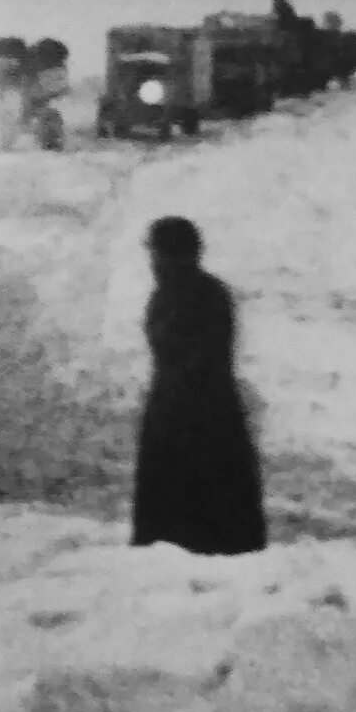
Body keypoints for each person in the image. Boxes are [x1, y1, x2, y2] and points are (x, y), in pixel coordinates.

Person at [132, 216, 268, 556]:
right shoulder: (176, 295)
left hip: (198, 410)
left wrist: (176, 396)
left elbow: (203, 354)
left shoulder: (200, 295)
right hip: (189, 408)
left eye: (158, 254)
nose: (154, 263)